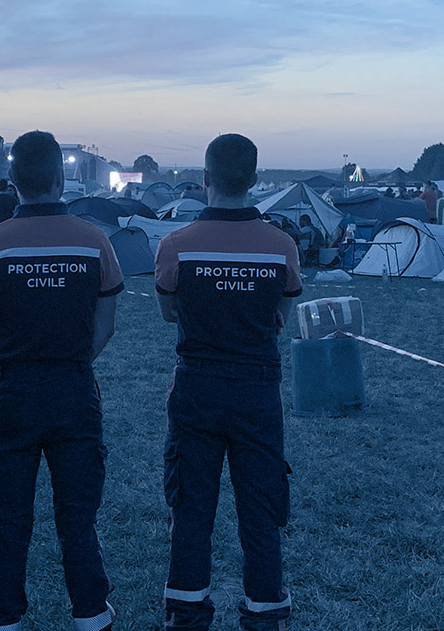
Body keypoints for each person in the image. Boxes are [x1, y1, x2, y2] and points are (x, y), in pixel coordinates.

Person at [0, 131, 121, 631]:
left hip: (12, 390)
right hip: (74, 387)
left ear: (13, 180)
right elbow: (105, 322)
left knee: (8, 517)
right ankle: (91, 613)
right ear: (61, 177)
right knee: (77, 514)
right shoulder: (93, 240)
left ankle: (3, 616)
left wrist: (13, 361)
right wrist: (71, 360)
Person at [155, 134, 298, 631]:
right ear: (255, 180)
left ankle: (187, 615)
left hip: (197, 385)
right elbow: (281, 315)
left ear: (205, 180)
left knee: (191, 508)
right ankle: (263, 615)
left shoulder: (176, 245)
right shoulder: (282, 246)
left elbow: (169, 311)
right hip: (258, 389)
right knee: (260, 510)